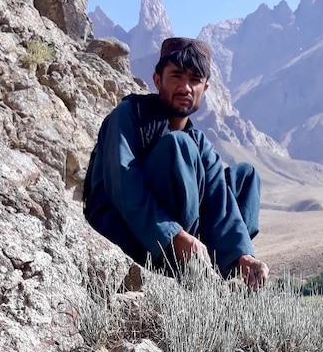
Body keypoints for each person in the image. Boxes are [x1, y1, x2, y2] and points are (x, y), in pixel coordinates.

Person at [82, 37, 269, 289]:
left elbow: (218, 199)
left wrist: (242, 254)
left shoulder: (199, 141)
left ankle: (231, 270)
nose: (185, 87)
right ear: (157, 80)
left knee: (244, 176)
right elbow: (123, 185)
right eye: (176, 76)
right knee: (177, 146)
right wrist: (173, 235)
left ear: (206, 88)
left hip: (181, 236)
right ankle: (185, 264)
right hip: (128, 232)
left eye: (195, 80)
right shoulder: (129, 114)